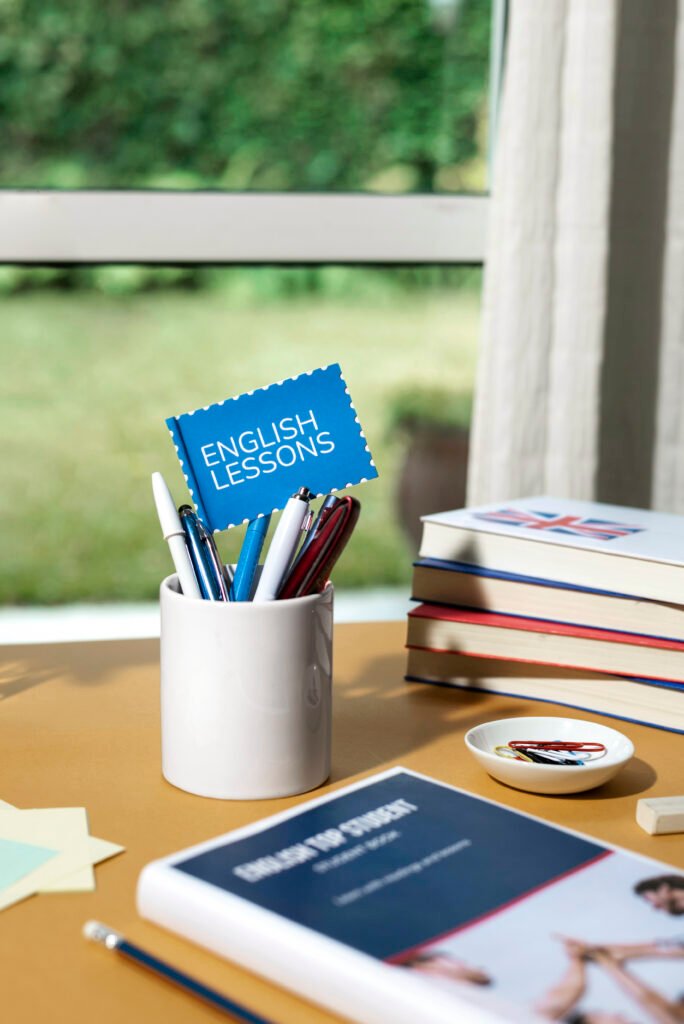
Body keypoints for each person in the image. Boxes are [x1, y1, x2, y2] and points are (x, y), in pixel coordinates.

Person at [398, 949, 492, 987]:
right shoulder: (459, 964)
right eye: (482, 973)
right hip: (415, 960)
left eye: (481, 976)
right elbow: (437, 956)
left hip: (407, 972)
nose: (479, 972)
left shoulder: (458, 984)